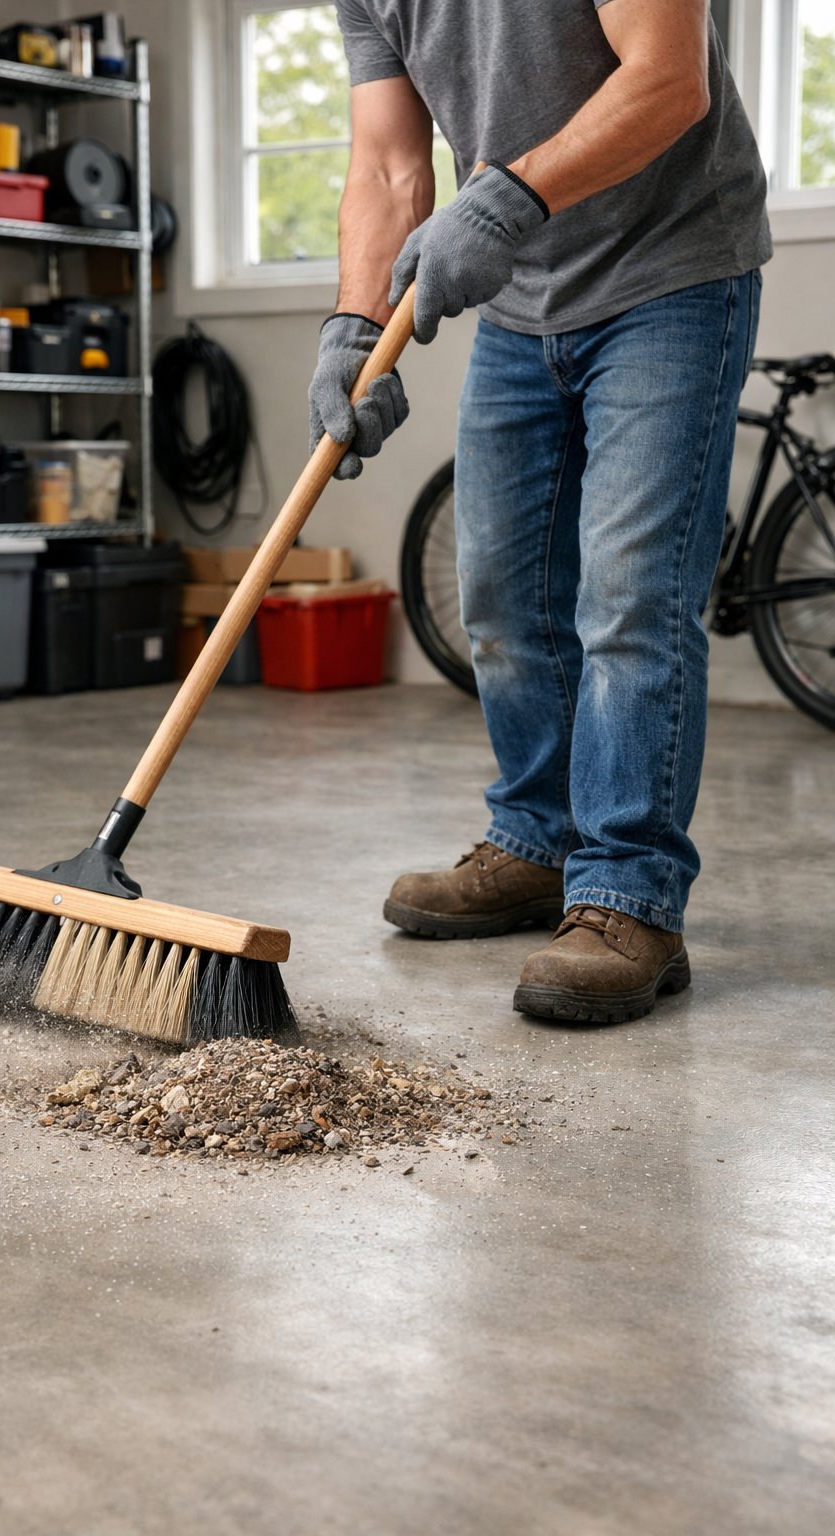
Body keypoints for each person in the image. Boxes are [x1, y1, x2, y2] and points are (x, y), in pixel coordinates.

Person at [309, 0, 771, 1024]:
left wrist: (508, 197)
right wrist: (353, 318)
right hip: (522, 303)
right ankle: (537, 842)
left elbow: (667, 79)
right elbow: (389, 166)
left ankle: (627, 895)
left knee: (630, 601)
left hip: (670, 271)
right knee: (503, 603)